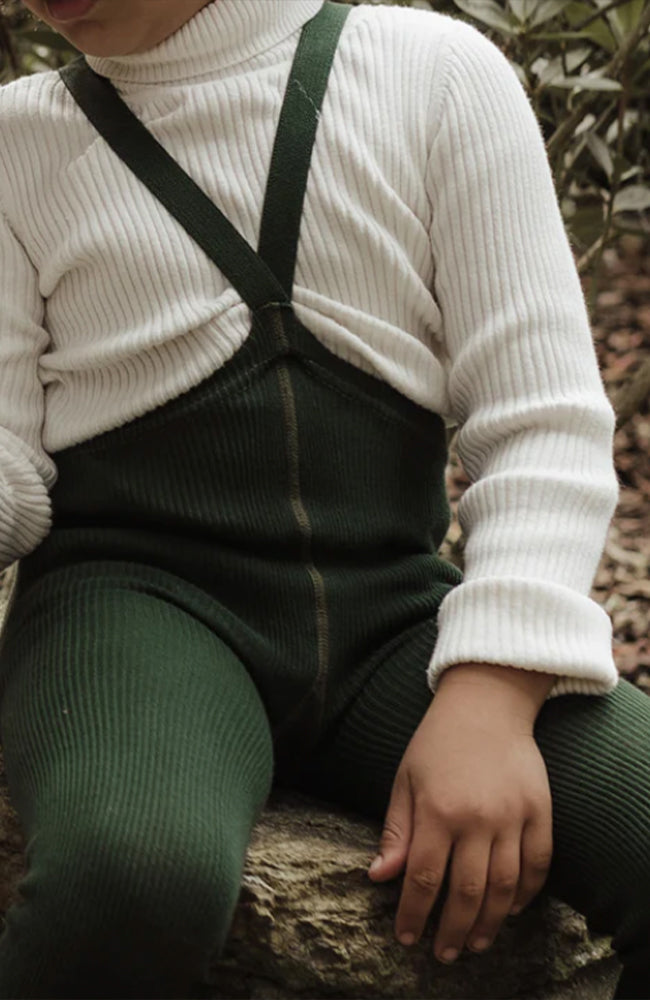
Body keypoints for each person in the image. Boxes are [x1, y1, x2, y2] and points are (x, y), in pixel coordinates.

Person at [0, 0, 647, 996]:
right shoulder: (18, 143)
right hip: (132, 609)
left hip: (392, 619)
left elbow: (540, 420)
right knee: (133, 871)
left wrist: (491, 689)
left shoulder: (434, 78)